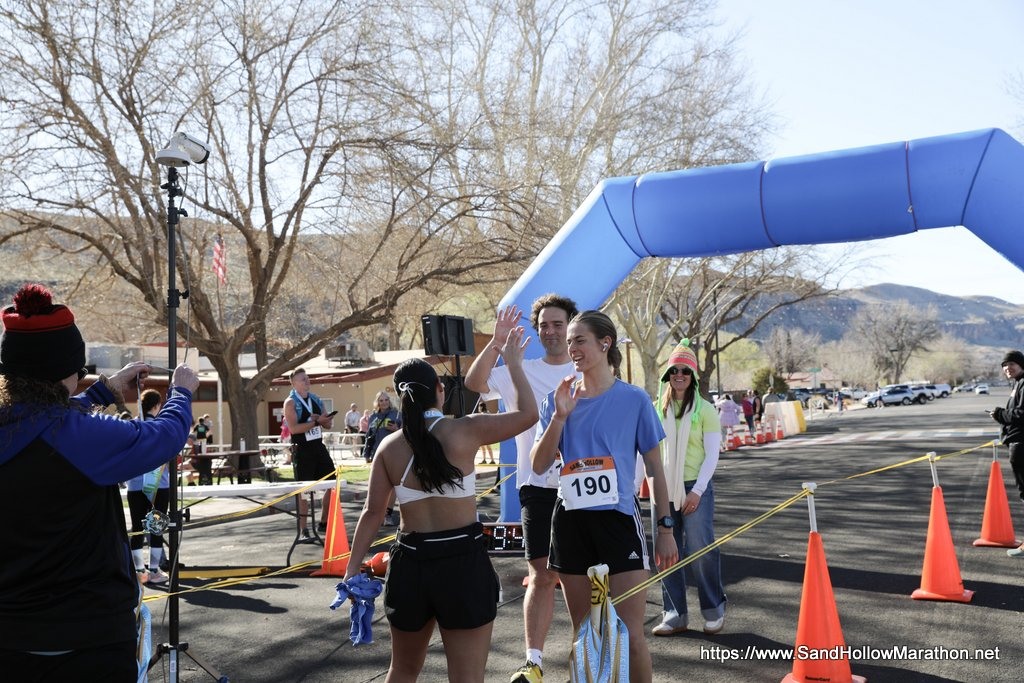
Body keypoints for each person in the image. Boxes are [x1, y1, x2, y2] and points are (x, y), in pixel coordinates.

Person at [0, 283, 198, 681]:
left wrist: (102, 391)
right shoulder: (79, 437)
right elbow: (163, 437)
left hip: (10, 636)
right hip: (90, 637)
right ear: (65, 371)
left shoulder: (17, 425)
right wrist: (181, 393)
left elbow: (42, 418)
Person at [343, 327, 538, 682]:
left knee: (402, 671)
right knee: (466, 677)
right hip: (462, 564)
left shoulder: (388, 447)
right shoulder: (466, 429)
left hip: (410, 565)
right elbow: (528, 414)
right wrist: (513, 364)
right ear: (439, 390)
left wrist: (351, 570)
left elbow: (373, 513)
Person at [531, 310, 677, 683]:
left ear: (605, 343)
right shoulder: (557, 399)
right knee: (585, 633)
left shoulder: (635, 399)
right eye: (569, 342)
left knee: (630, 635)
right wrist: (560, 417)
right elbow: (539, 464)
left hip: (618, 521)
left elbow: (655, 469)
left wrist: (665, 528)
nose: (572, 349)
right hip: (572, 522)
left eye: (579, 340)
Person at [464, 293, 578, 683]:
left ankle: (586, 656)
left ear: (570, 327)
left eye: (558, 324)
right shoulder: (521, 368)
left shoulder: (585, 370)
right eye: (544, 325)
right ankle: (533, 662)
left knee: (580, 576)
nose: (550, 331)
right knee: (541, 574)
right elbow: (474, 382)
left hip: (581, 485)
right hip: (536, 486)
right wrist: (497, 343)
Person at [649, 340, 727, 637]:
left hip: (696, 487)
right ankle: (674, 614)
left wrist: (698, 491)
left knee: (700, 548)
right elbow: (647, 451)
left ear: (692, 376)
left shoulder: (705, 410)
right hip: (663, 488)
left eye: (685, 370)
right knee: (667, 552)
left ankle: (714, 609)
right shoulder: (656, 409)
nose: (679, 375)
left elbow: (712, 455)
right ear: (667, 375)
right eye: (674, 370)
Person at [125, 389, 172, 585]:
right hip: (158, 483)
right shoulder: (160, 426)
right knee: (156, 527)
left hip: (135, 484)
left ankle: (138, 571)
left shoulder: (131, 426)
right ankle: (153, 570)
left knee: (137, 528)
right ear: (156, 406)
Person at [284, 368, 337, 536]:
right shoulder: (290, 403)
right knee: (304, 491)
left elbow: (328, 425)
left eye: (308, 378)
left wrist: (325, 420)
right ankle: (304, 529)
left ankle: (324, 522)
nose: (307, 382)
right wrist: (315, 422)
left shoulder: (316, 399)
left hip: (318, 447)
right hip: (302, 450)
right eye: (303, 379)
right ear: (293, 383)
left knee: (332, 483)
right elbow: (293, 429)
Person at [989, 350, 1024, 558]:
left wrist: (1000, 414)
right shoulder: (1018, 383)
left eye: (1011, 364)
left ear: (1021, 364)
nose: (1007, 368)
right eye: (1004, 365)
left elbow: (1021, 414)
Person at [363, 391, 400, 464]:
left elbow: (405, 435)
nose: (384, 402)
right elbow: (369, 436)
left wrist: (396, 429)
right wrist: (366, 454)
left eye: (386, 400)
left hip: (393, 453)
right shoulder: (373, 417)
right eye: (381, 400)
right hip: (376, 454)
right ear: (377, 403)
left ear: (389, 401)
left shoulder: (398, 414)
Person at [191, 415, 213, 485]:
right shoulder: (204, 426)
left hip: (198, 439)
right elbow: (209, 431)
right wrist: (206, 434)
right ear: (203, 421)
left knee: (199, 447)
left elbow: (193, 431)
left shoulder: (197, 426)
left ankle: (200, 453)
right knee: (203, 448)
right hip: (204, 439)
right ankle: (203, 453)